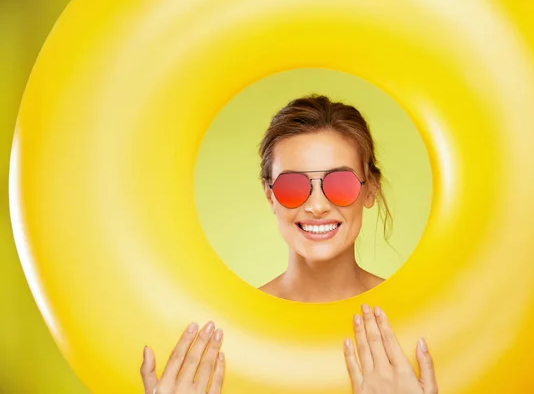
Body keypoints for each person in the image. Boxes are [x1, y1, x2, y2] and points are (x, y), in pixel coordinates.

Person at [140, 95, 438, 394]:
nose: (318, 205)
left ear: (370, 189)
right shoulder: (226, 337)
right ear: (270, 196)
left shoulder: (421, 324)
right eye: (292, 186)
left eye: (341, 183)